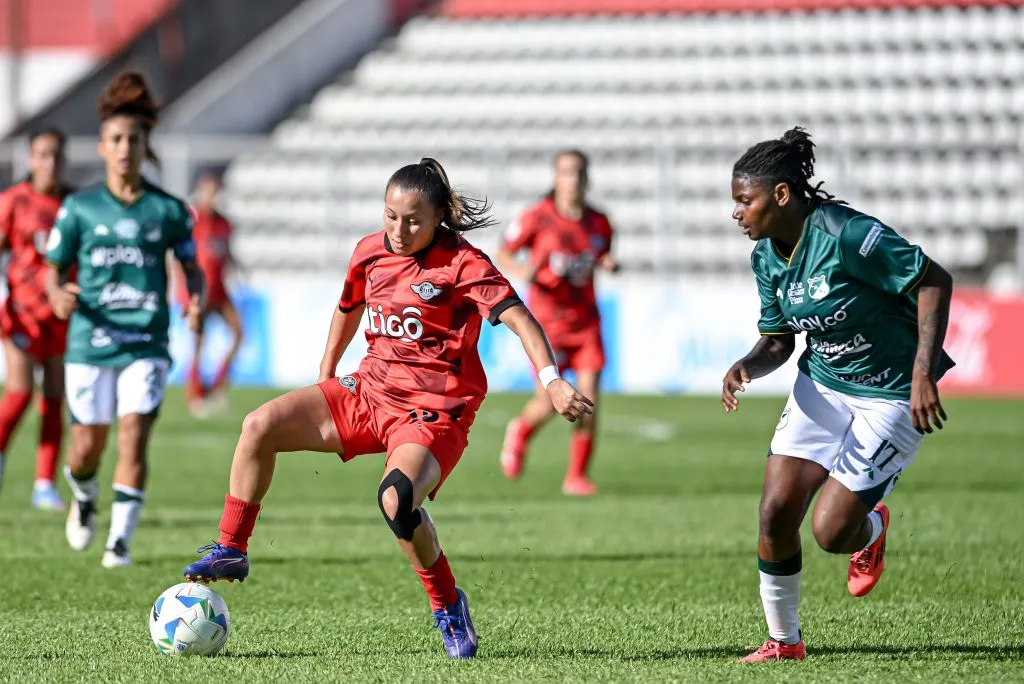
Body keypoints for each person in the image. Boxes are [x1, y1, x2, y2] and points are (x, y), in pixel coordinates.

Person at [182, 158, 593, 659]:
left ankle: (447, 604)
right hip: (370, 391)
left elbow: (521, 320)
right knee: (259, 425)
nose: (399, 231)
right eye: (391, 216)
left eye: (414, 220)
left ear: (439, 217)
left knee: (397, 500)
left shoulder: (464, 263)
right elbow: (348, 307)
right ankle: (231, 548)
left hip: (434, 409)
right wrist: (327, 372)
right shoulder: (369, 251)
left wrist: (551, 380)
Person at [723, 127, 954, 662]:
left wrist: (923, 373)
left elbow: (934, 280)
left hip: (891, 393)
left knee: (830, 532)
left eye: (745, 200)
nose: (736, 213)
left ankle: (870, 531)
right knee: (775, 511)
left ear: (781, 194)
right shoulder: (766, 257)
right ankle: (784, 642)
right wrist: (747, 365)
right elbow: (779, 340)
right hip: (824, 383)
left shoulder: (847, 234)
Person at [45, 71, 204, 569]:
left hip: (145, 341)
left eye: (133, 140)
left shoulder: (169, 210)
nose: (124, 148)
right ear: (101, 147)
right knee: (85, 449)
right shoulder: (79, 208)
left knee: (133, 435)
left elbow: (192, 268)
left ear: (143, 145)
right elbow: (52, 270)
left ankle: (119, 542)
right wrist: (57, 295)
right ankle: (84, 493)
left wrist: (195, 300)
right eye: (115, 140)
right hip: (89, 341)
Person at [496, 149, 617, 496]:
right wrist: (523, 271)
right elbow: (503, 252)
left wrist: (608, 263)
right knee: (551, 399)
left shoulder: (599, 222)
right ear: (555, 177)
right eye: (566, 172)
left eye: (578, 172)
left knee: (589, 400)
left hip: (586, 322)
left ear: (587, 178)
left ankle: (576, 476)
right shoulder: (537, 217)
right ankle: (520, 431)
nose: (572, 179)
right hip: (547, 324)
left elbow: (601, 253)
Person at [0, 128, 73, 510]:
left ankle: (44, 484)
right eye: (43, 154)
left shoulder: (74, 204)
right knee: (20, 392)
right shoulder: (13, 201)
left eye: (56, 155)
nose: (50, 162)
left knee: (55, 398)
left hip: (60, 315)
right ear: (31, 159)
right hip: (22, 314)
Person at [178, 170, 243, 416]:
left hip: (220, 291)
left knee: (238, 334)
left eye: (216, 191)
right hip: (200, 291)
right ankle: (195, 394)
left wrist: (238, 271)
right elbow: (179, 254)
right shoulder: (192, 220)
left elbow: (226, 253)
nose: (213, 196)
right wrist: (182, 288)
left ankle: (217, 386)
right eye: (208, 191)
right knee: (198, 342)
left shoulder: (224, 223)